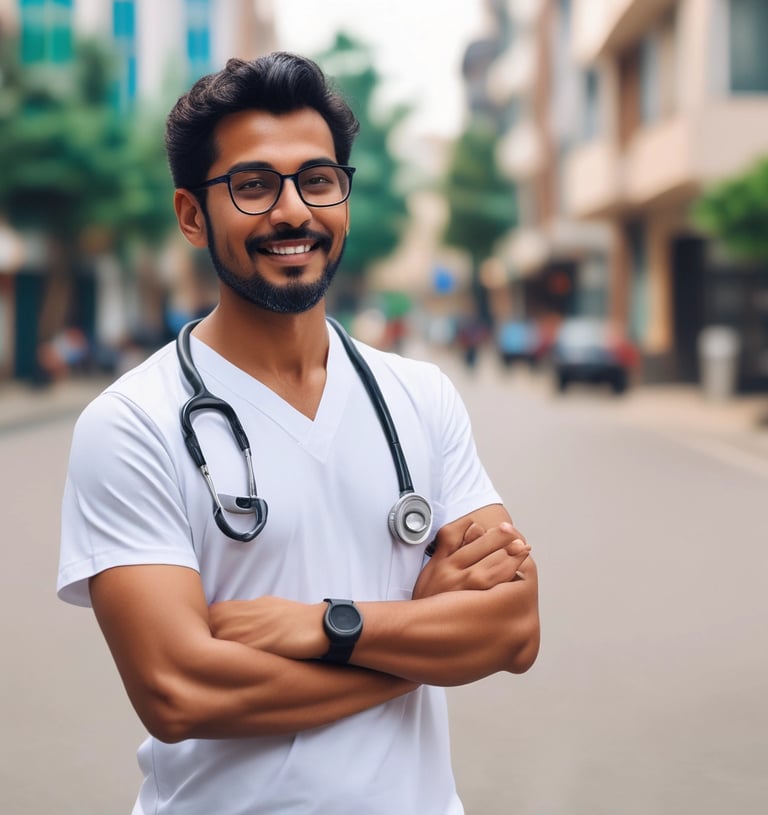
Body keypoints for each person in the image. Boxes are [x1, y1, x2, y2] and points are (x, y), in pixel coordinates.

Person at [57, 52, 539, 815]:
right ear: (191, 214)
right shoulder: (132, 424)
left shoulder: (419, 397)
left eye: (317, 179)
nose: (293, 212)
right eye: (253, 185)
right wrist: (420, 644)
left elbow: (511, 627)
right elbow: (178, 688)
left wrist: (322, 624)